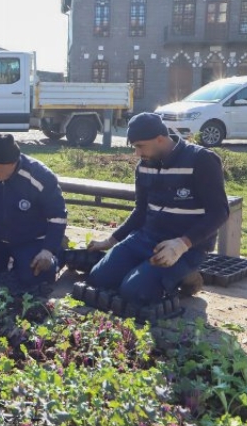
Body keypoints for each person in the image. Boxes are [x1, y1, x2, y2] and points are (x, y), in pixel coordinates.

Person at [87, 112, 229, 306]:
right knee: (99, 279)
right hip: (146, 238)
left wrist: (182, 244)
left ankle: (185, 275)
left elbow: (219, 212)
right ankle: (147, 270)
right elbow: (140, 211)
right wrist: (111, 240)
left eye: (139, 146)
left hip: (186, 247)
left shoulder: (201, 160)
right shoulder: (144, 165)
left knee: (135, 293)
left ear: (160, 139)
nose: (137, 153)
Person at [0, 133, 67, 290]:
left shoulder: (41, 176)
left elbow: (58, 217)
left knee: (33, 276)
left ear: (11, 163)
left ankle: (60, 255)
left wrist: (48, 250)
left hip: (31, 238)